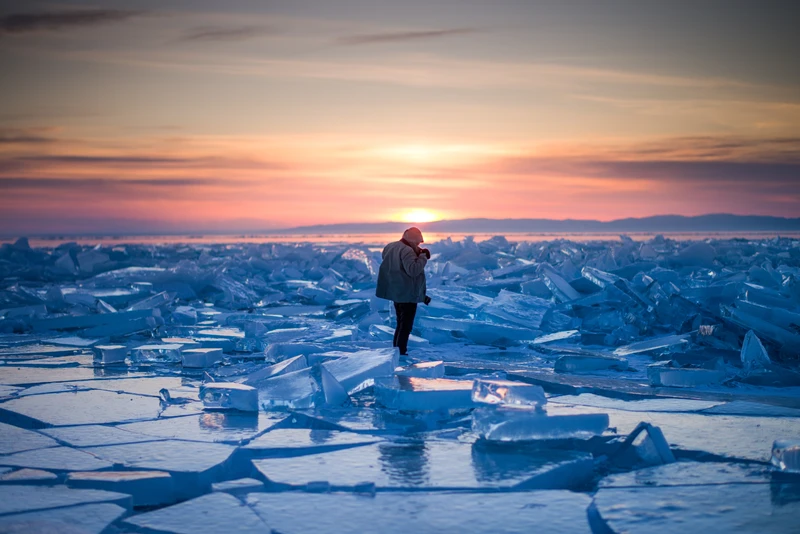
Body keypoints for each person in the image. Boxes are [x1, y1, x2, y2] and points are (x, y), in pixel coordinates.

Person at [375, 227, 431, 356]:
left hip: (397, 291)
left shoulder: (390, 246)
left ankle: (396, 350)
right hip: (407, 294)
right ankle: (401, 353)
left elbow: (396, 262)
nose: (418, 245)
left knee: (400, 324)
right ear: (413, 240)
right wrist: (423, 257)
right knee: (405, 326)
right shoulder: (407, 250)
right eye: (418, 242)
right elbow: (413, 270)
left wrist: (417, 253)